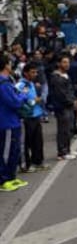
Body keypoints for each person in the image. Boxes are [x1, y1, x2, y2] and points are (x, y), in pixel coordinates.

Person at [0, 54, 27, 191]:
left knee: (14, 151)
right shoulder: (3, 83)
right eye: (10, 63)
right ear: (6, 65)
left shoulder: (6, 82)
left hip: (11, 121)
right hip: (7, 122)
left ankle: (11, 177)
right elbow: (15, 102)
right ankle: (4, 180)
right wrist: (23, 95)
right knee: (7, 151)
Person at [17, 62, 49, 174]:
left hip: (36, 115)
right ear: (25, 73)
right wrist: (34, 101)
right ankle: (26, 164)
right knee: (26, 142)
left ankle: (38, 162)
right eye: (32, 72)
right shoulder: (23, 85)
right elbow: (21, 101)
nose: (35, 74)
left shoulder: (31, 84)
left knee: (38, 141)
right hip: (27, 117)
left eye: (36, 72)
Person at [47, 52, 77, 161]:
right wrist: (71, 102)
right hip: (62, 107)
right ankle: (62, 152)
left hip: (68, 106)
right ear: (59, 63)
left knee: (69, 129)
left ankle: (67, 150)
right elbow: (61, 94)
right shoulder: (56, 77)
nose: (67, 64)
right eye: (64, 62)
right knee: (63, 130)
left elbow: (69, 90)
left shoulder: (66, 75)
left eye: (68, 62)